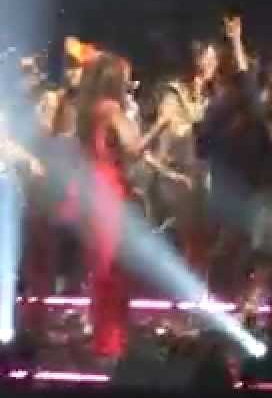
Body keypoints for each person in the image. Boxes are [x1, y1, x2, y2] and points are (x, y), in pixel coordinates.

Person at [75, 51, 142, 361]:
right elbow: (133, 147)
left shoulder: (89, 110)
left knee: (102, 268)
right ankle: (111, 344)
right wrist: (162, 124)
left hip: (92, 188)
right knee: (113, 271)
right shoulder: (112, 109)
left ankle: (106, 340)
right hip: (110, 189)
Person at [142, 37, 218, 272]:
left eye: (215, 59)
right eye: (210, 58)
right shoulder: (174, 94)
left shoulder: (208, 96)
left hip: (199, 178)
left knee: (201, 243)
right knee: (185, 240)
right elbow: (168, 134)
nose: (214, 64)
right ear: (196, 61)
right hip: (172, 177)